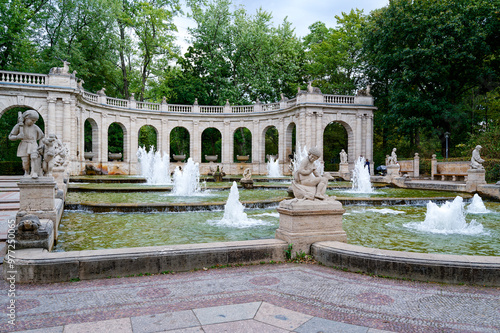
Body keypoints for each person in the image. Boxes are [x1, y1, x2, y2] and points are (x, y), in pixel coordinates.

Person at [8, 110, 44, 178]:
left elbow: (42, 137)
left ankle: (34, 172)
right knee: (25, 162)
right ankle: (26, 172)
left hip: (33, 143)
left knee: (34, 158)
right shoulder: (19, 126)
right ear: (26, 118)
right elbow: (10, 137)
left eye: (35, 121)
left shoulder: (35, 127)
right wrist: (17, 137)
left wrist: (41, 145)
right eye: (32, 120)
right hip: (24, 144)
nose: (34, 122)